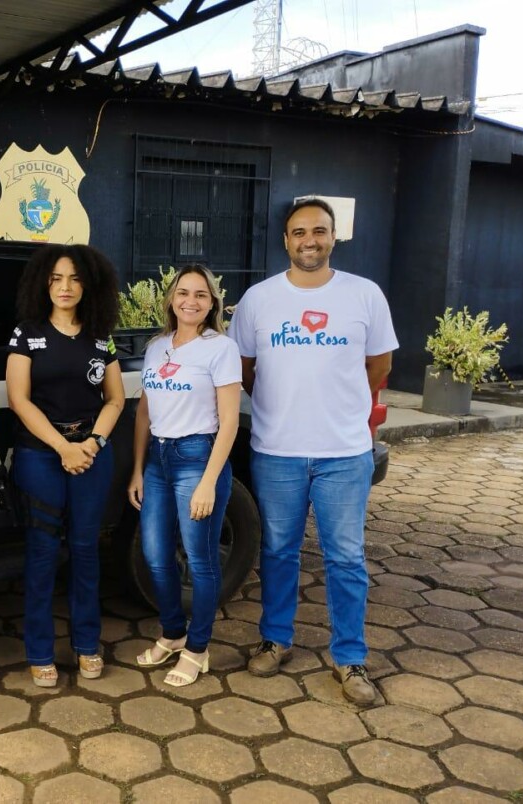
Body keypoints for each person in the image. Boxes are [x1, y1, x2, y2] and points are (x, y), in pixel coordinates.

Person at [228, 198, 398, 705]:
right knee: (278, 551)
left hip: (344, 453)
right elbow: (246, 371)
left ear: (332, 237)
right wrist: (284, 406)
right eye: (299, 232)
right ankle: (276, 639)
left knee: (345, 557)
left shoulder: (364, 294)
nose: (309, 240)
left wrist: (340, 408)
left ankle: (350, 658)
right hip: (276, 450)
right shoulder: (258, 300)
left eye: (319, 231)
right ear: (286, 240)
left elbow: (380, 366)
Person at [6, 244, 124, 687]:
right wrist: (63, 448)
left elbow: (114, 399)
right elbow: (19, 400)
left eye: (74, 278)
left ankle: (87, 644)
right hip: (41, 455)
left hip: (92, 454)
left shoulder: (101, 336)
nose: (65, 287)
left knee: (86, 549)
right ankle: (39, 651)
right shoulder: (27, 333)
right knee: (41, 553)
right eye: (56, 278)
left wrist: (92, 443)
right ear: (43, 283)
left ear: (89, 285)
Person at [127, 265, 241, 686]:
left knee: (200, 558)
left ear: (212, 304)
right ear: (171, 299)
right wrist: (138, 469)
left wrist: (209, 481)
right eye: (183, 293)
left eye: (200, 295)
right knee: (155, 555)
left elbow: (229, 421)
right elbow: (145, 411)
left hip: (197, 456)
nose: (190, 301)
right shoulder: (158, 347)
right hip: (157, 460)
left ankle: (197, 648)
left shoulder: (220, 348)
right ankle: (173, 633)